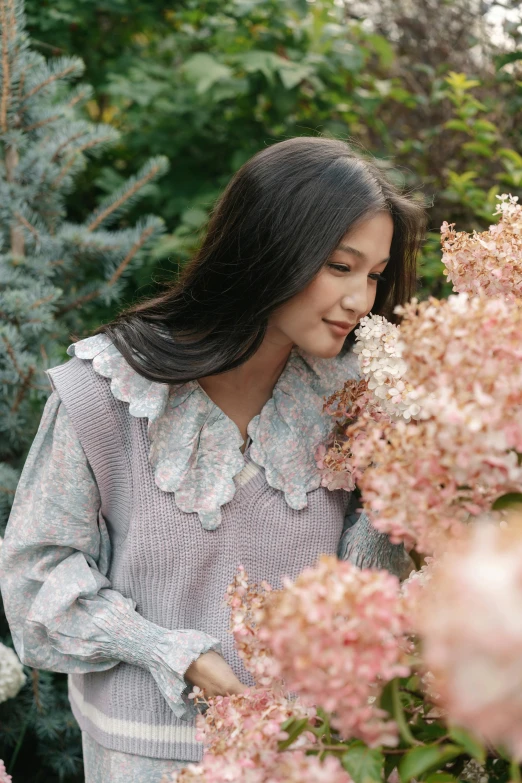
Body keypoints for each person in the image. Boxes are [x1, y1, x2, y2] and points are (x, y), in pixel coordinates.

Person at [0, 136, 424, 782]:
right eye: (341, 266)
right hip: (145, 759)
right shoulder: (107, 393)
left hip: (311, 757)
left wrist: (394, 478)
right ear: (273, 247)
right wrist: (172, 653)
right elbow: (35, 579)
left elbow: (373, 594)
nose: (361, 301)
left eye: (373, 275)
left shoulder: (355, 399)